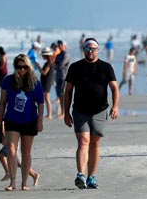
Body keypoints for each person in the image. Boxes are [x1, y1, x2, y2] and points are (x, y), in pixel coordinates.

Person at [64, 38, 120, 189]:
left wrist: (115, 106)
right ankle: (80, 175)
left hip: (100, 111)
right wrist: (66, 112)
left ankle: (91, 177)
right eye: (87, 49)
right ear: (83, 50)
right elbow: (68, 91)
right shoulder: (75, 67)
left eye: (93, 49)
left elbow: (114, 88)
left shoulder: (106, 67)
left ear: (98, 50)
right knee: (83, 141)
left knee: (95, 143)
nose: (90, 51)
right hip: (80, 111)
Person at [0, 54, 45, 191]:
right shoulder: (8, 81)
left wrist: (40, 121)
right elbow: (2, 103)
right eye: (19, 67)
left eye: (25, 67)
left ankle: (24, 183)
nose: (22, 70)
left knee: (26, 152)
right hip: (12, 120)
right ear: (15, 67)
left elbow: (41, 103)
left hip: (30, 121)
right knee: (11, 149)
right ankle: (12, 182)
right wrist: (0, 122)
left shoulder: (35, 82)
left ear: (29, 67)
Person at [0, 105, 39, 184]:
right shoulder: (3, 121)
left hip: (11, 144)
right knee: (5, 157)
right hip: (10, 143)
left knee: (17, 162)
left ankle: (33, 175)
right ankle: (10, 172)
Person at [54, 40, 71, 118]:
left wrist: (56, 65)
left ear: (64, 45)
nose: (59, 46)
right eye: (58, 45)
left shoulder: (66, 54)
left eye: (61, 44)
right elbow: (54, 64)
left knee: (63, 95)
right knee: (59, 95)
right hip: (58, 76)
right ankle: (62, 112)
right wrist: (55, 65)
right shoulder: (58, 55)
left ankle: (64, 112)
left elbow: (60, 65)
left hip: (64, 77)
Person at [40, 47, 55, 119]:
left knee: (47, 97)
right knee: (46, 97)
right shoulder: (49, 62)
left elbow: (44, 72)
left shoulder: (49, 63)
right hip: (46, 81)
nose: (42, 56)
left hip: (47, 81)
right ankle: (49, 114)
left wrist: (38, 65)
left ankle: (49, 114)